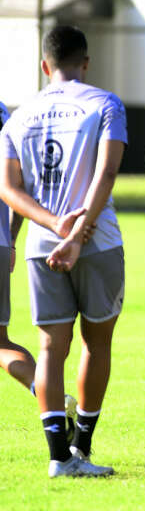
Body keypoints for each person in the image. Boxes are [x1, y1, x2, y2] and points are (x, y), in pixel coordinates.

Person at [0, 25, 126, 478]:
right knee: (98, 343)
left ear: (44, 65)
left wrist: (54, 226)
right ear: (85, 62)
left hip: (41, 244)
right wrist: (79, 233)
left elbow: (9, 189)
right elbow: (108, 172)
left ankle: (58, 458)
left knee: (50, 349)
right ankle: (84, 449)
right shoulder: (105, 104)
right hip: (98, 241)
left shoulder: (18, 116)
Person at [0, 101, 45, 411]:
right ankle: (52, 400)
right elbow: (19, 183)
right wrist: (12, 240)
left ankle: (52, 401)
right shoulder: (5, 113)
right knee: (2, 342)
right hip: (2, 241)